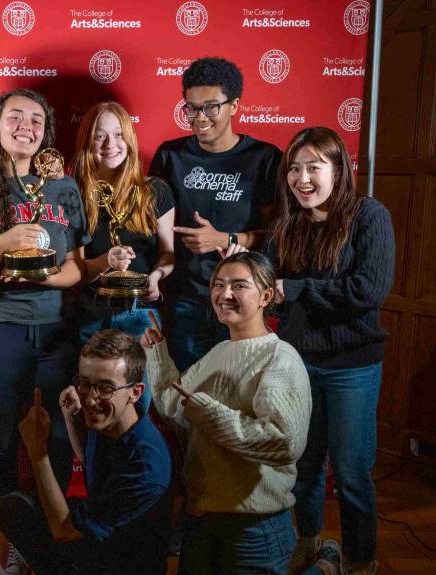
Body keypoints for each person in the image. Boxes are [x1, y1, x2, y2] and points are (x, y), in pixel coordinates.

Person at [0, 88, 89, 574]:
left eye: (36, 119)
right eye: (14, 117)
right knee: (3, 439)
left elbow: (76, 270)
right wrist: (3, 242)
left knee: (63, 435)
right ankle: (16, 536)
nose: (25, 126)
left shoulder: (63, 188)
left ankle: (57, 527)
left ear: (46, 132)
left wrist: (38, 275)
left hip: (52, 330)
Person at [267, 127, 395, 575]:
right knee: (302, 469)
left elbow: (368, 291)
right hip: (298, 364)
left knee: (351, 473)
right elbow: (268, 282)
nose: (302, 178)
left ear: (339, 171)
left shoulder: (369, 216)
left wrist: (296, 289)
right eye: (295, 169)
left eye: (314, 168)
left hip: (352, 368)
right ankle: (309, 543)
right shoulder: (286, 225)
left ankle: (361, 561)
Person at [141, 250, 312, 574]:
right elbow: (176, 407)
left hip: (253, 529)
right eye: (218, 285)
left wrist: (209, 413)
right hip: (203, 520)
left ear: (266, 296)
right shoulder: (221, 350)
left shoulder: (279, 358)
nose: (224, 294)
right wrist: (156, 354)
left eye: (238, 285)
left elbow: (284, 442)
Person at [0, 329, 172, 575]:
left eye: (106, 388)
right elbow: (88, 462)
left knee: (20, 512)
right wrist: (71, 419)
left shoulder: (147, 464)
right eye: (85, 384)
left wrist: (38, 452)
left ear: (136, 392)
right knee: (17, 505)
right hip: (105, 537)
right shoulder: (112, 421)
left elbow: (64, 531)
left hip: (123, 566)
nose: (90, 399)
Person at [150, 57, 282, 372]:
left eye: (211, 107)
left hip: (244, 304)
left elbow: (279, 237)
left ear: (234, 105)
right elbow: (152, 230)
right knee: (189, 401)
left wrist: (227, 239)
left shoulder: (264, 159)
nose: (199, 118)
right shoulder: (170, 157)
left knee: (240, 403)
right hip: (187, 302)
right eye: (192, 108)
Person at [71, 102, 175, 412]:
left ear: (129, 138)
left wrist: (156, 277)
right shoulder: (74, 194)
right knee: (94, 412)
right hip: (91, 315)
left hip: (139, 316)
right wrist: (106, 261)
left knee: (135, 412)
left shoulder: (154, 191)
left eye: (118, 134)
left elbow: (168, 254)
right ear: (88, 142)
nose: (111, 145)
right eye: (100, 136)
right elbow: (74, 270)